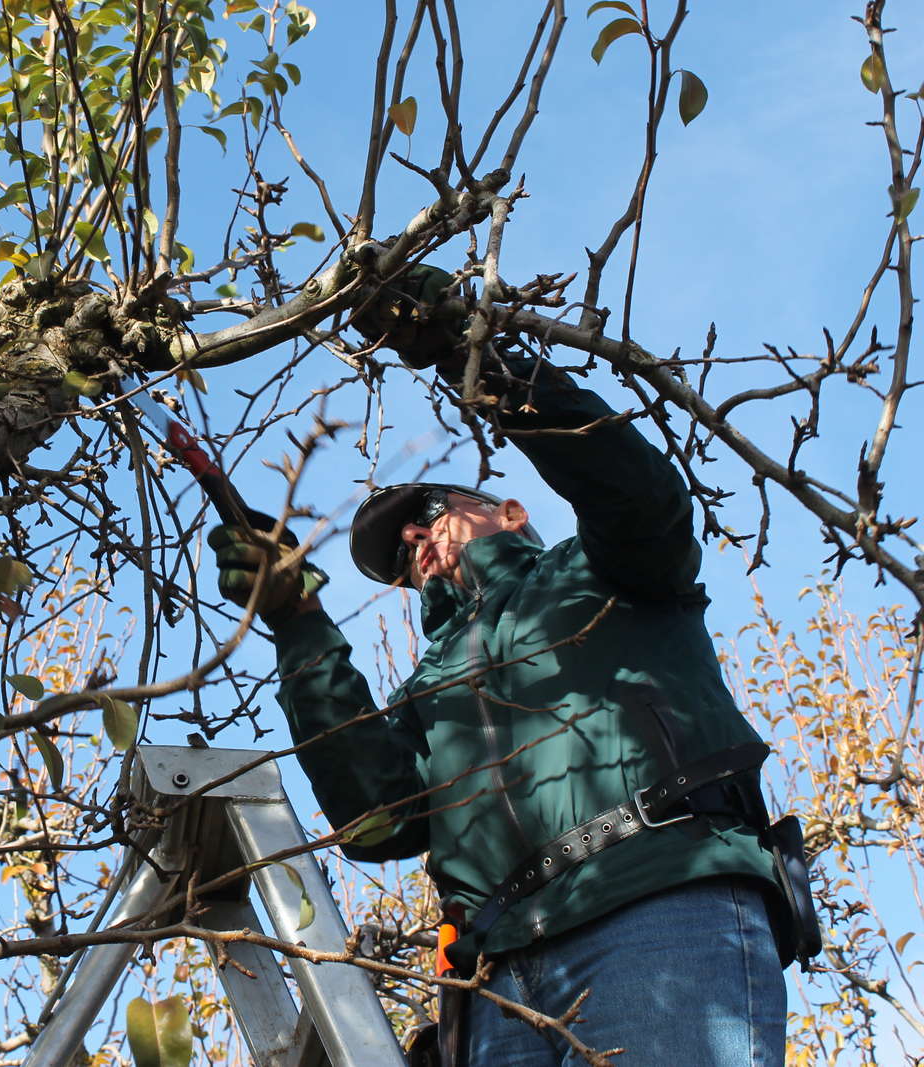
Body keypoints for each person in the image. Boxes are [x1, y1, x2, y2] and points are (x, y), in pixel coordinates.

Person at [208, 268, 817, 1066]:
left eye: (426, 517)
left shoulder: (600, 572)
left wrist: (485, 363)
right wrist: (298, 624)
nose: (415, 547)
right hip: (497, 980)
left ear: (510, 513)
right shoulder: (428, 691)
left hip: (659, 895)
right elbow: (374, 818)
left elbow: (642, 498)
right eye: (400, 560)